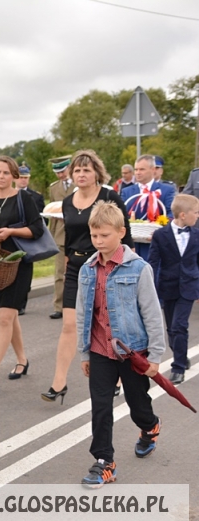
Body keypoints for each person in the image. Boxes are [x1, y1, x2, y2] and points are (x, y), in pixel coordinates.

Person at [77, 201, 165, 488]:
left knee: (138, 403)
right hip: (100, 350)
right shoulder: (87, 270)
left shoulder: (139, 268)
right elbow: (83, 313)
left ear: (121, 233)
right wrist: (84, 352)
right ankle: (105, 462)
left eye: (104, 235)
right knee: (101, 406)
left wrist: (155, 355)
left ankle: (149, 426)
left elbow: (152, 312)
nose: (98, 241)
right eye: (94, 236)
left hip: (132, 352)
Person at [43, 150, 133, 404]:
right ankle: (59, 382)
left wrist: (127, 265)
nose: (81, 174)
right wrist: (69, 262)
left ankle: (116, 377)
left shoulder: (109, 196)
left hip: (106, 265)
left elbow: (124, 234)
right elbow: (70, 237)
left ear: (96, 173)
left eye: (86, 170)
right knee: (69, 325)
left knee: (107, 324)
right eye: (77, 170)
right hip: (77, 268)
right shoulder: (68, 202)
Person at [0, 156, 44, 389]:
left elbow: (36, 229)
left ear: (14, 176)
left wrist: (10, 232)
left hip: (19, 263)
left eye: (6, 173)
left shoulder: (23, 199)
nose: (1, 176)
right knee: (10, 317)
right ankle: (22, 360)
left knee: (5, 317)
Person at [148, 194, 199, 385]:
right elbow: (153, 262)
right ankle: (181, 353)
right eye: (196, 213)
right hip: (167, 286)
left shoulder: (197, 235)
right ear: (183, 215)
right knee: (171, 328)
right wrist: (149, 287)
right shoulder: (161, 235)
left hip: (189, 286)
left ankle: (178, 367)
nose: (198, 216)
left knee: (179, 326)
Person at [120, 154, 176, 262]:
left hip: (157, 244)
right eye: (136, 169)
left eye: (142, 169)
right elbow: (120, 215)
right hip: (132, 244)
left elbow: (171, 214)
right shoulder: (127, 191)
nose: (138, 173)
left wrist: (160, 230)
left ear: (153, 170)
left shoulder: (166, 190)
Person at [48, 156, 77, 320]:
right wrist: (50, 237)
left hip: (79, 234)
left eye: (63, 171)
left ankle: (78, 304)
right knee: (59, 273)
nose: (60, 175)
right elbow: (51, 213)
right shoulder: (53, 188)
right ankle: (59, 306)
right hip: (60, 235)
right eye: (57, 173)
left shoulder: (79, 184)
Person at [13, 162, 45, 315]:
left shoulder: (36, 197)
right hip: (12, 238)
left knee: (25, 273)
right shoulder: (8, 194)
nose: (23, 180)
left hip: (28, 238)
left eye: (26, 177)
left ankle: (22, 303)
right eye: (20, 177)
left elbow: (42, 221)